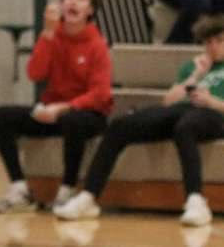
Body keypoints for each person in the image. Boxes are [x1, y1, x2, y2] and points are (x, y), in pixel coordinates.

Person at [55, 14, 224, 227]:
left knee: (186, 127)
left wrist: (210, 101)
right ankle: (88, 196)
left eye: (220, 41)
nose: (213, 47)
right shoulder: (194, 66)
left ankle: (196, 201)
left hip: (214, 114)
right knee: (119, 126)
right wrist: (196, 76)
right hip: (181, 109)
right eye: (208, 42)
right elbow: (168, 101)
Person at [0, 0, 112, 214]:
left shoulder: (97, 44)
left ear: (90, 11)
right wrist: (46, 33)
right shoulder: (53, 37)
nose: (73, 1)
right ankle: (19, 187)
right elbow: (35, 73)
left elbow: (100, 94)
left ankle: (67, 189)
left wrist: (64, 107)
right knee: (0, 116)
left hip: (88, 114)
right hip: (53, 110)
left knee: (72, 120)